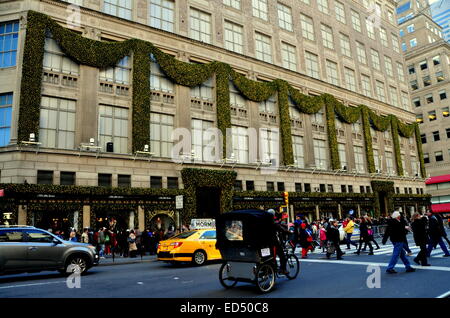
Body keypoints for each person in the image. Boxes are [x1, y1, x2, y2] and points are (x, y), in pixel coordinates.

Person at [267, 209, 289, 275]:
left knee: (270, 256)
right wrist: (289, 232)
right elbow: (281, 229)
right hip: (273, 242)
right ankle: (283, 269)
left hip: (266, 243)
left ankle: (273, 267)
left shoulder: (264, 221)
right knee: (282, 256)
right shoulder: (273, 222)